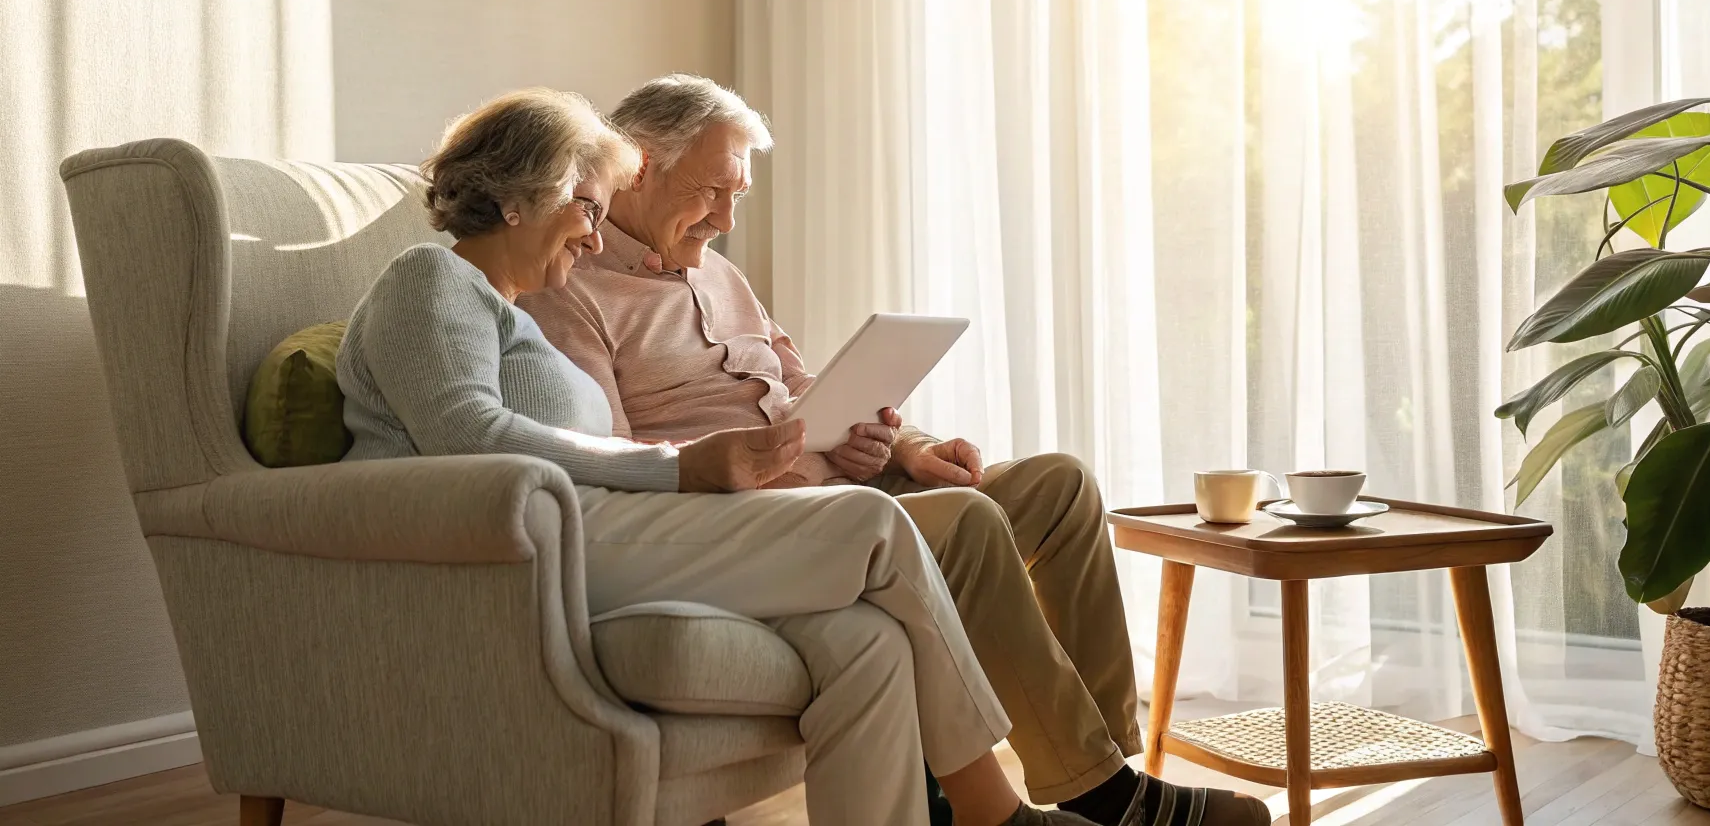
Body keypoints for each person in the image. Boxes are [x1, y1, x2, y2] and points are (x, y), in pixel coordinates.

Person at [518, 75, 1271, 826]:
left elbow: (805, 384)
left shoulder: (720, 273)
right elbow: (611, 460)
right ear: (641, 166)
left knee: (1061, 486)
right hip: (763, 520)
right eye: (713, 191)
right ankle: (1101, 795)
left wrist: (902, 444)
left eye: (738, 196)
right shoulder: (567, 285)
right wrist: (787, 468)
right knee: (969, 522)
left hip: (851, 486)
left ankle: (1111, 765)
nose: (725, 218)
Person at [338, 88, 1088, 826]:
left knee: (869, 644)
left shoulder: (515, 319)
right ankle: (996, 812)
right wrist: (679, 467)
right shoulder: (429, 278)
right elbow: (467, 432)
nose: (598, 239)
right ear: (518, 201)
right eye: (590, 209)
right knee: (871, 523)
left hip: (595, 529)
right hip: (541, 548)